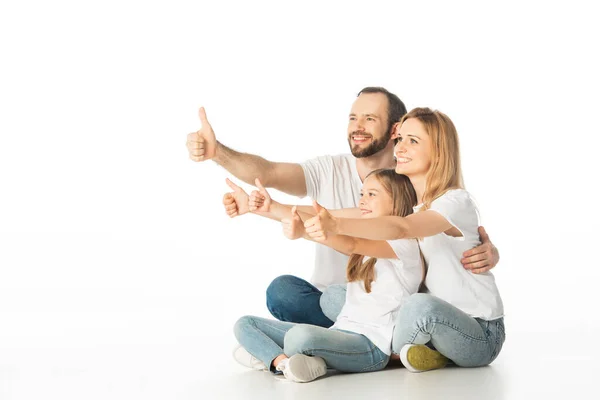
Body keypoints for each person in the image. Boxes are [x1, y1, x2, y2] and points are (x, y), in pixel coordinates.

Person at [187, 87, 500, 327]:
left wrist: (487, 251)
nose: (358, 126)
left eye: (370, 118)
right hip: (339, 297)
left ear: (394, 130)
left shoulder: (409, 182)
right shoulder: (329, 169)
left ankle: (359, 340)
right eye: (353, 117)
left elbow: (433, 225)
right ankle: (354, 336)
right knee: (287, 292)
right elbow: (268, 175)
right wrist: (223, 160)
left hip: (401, 300)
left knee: (407, 307)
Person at [303, 107, 505, 372]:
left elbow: (401, 228)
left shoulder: (454, 201)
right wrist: (265, 207)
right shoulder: (410, 206)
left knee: (419, 305)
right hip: (423, 318)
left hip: (477, 330)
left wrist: (337, 226)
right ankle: (413, 348)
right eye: (400, 139)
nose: (400, 147)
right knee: (335, 296)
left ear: (439, 152)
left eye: (413, 141)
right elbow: (329, 215)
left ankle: (381, 351)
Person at [230, 169, 424, 382]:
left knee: (299, 337)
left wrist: (303, 233)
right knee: (245, 324)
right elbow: (317, 221)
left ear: (397, 202)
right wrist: (262, 208)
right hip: (340, 331)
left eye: (372, 194)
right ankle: (284, 363)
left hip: (372, 346)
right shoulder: (365, 247)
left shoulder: (405, 245)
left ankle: (272, 355)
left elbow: (350, 242)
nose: (362, 200)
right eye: (362, 194)